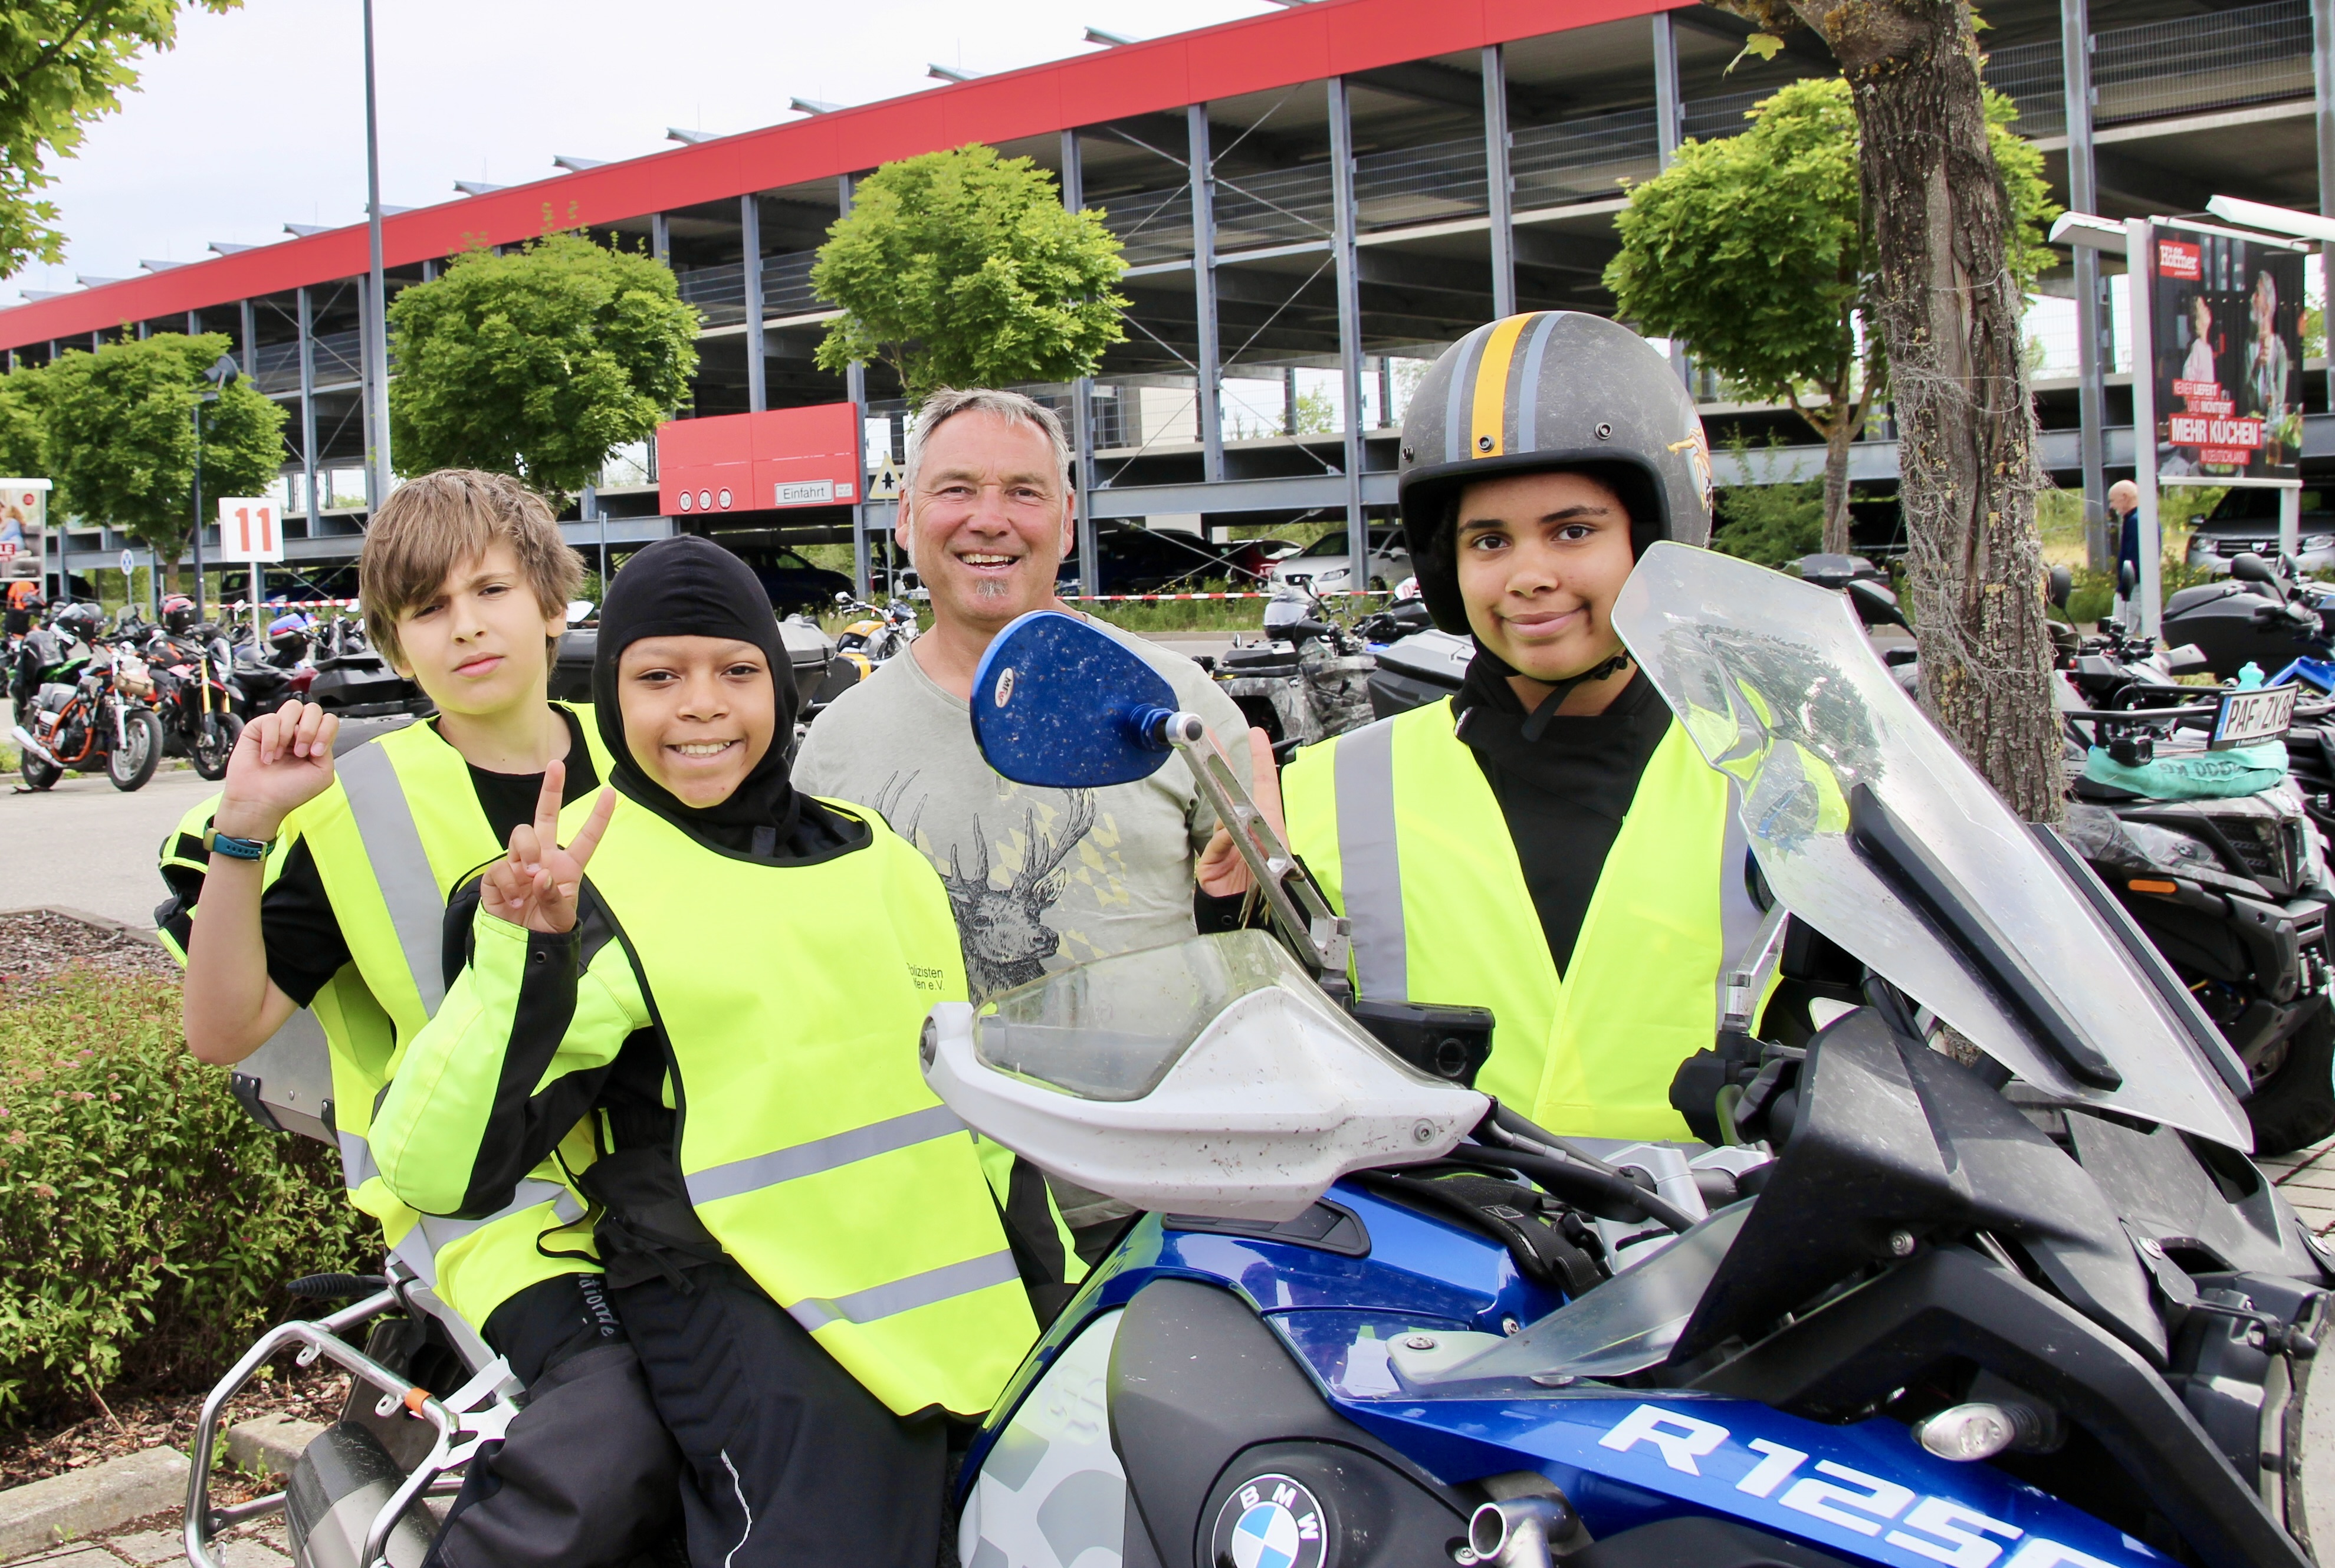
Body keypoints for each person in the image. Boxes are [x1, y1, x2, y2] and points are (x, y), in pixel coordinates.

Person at [369, 535, 1038, 1568]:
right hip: (740, 1312)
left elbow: (978, 1114)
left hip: (954, 1313)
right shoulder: (583, 884)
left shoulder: (880, 856)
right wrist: (521, 951)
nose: (699, 705)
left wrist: (1063, 1283)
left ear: (778, 681)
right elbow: (438, 1165)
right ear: (608, 697)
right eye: (657, 675)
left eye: (735, 670)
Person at [157, 470, 679, 1568]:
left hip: (680, 1165)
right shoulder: (357, 802)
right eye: (428, 608)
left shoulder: (651, 753)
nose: (467, 624)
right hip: (487, 1199)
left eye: (490, 588)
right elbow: (224, 1027)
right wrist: (246, 828)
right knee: (619, 1423)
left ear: (552, 600)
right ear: (397, 646)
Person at [791, 387, 1276, 1257]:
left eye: (1022, 490)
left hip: (1160, 1204)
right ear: (903, 518)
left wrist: (1265, 879)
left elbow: (1277, 960)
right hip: (938, 1209)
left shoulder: (1176, 705)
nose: (989, 518)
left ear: (1065, 514)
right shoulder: (835, 746)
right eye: (954, 489)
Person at [1282, 312, 1766, 1141]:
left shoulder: (1778, 777)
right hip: (1438, 1246)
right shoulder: (1324, 789)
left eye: (1572, 531)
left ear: (1652, 540)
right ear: (1448, 567)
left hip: (1719, 1253)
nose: (1529, 575)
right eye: (1488, 540)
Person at [2109, 478, 2141, 621]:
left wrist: (2124, 587)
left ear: (2124, 497)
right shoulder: (2137, 519)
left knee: (2121, 630)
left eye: (2113, 500)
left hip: (2133, 588)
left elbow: (2134, 559)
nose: (2112, 506)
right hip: (2136, 586)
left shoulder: (2136, 522)